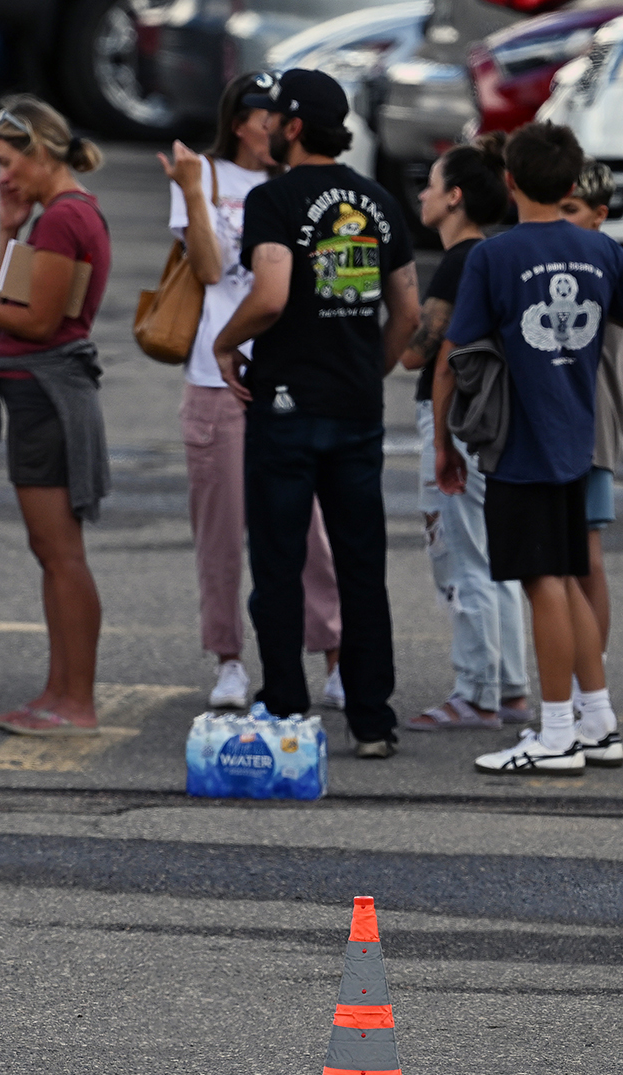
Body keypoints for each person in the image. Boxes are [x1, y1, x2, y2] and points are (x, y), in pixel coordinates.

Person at [212, 68, 419, 758]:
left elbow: (271, 293)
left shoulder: (275, 200)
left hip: (285, 407)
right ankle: (372, 719)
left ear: (296, 127)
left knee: (279, 563)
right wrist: (369, 370)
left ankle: (288, 707)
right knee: (361, 565)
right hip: (356, 408)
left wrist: (225, 340)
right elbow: (409, 311)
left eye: (275, 117)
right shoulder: (381, 201)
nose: (267, 125)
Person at [439, 122, 622, 774]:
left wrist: (442, 441)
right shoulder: (604, 251)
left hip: (519, 439)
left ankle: (555, 733)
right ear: (573, 184)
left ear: (510, 181)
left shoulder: (492, 257)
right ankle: (596, 716)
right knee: (568, 572)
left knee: (541, 579)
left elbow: (455, 354)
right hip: (576, 435)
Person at [161, 73, 344, 712]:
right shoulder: (203, 178)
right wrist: (192, 192)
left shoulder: (295, 185)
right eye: (269, 114)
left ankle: (333, 653)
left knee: (312, 528)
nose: (280, 126)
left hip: (285, 374)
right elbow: (210, 270)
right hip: (216, 379)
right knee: (220, 531)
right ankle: (230, 660)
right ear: (242, 121)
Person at [0, 95, 110, 736]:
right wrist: (9, 228)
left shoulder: (65, 219)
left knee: (61, 554)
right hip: (40, 394)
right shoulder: (57, 215)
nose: (4, 176)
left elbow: (34, 320)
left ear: (40, 152)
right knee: (53, 552)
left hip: (47, 396)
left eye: (9, 163)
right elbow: (23, 295)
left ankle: (75, 701)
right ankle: (57, 693)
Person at [399, 134, 530, 732]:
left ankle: (475, 694)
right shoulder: (496, 254)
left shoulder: (458, 261)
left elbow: (420, 353)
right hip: (491, 421)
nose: (422, 194)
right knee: (491, 555)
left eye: (431, 183)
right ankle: (509, 688)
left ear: (454, 197)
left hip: (452, 419)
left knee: (460, 560)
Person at [557, 158, 623, 671]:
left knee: (586, 556)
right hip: (563, 422)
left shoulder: (604, 261)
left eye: (571, 209)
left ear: (600, 214)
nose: (561, 218)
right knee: (565, 559)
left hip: (593, 421)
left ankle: (590, 680)